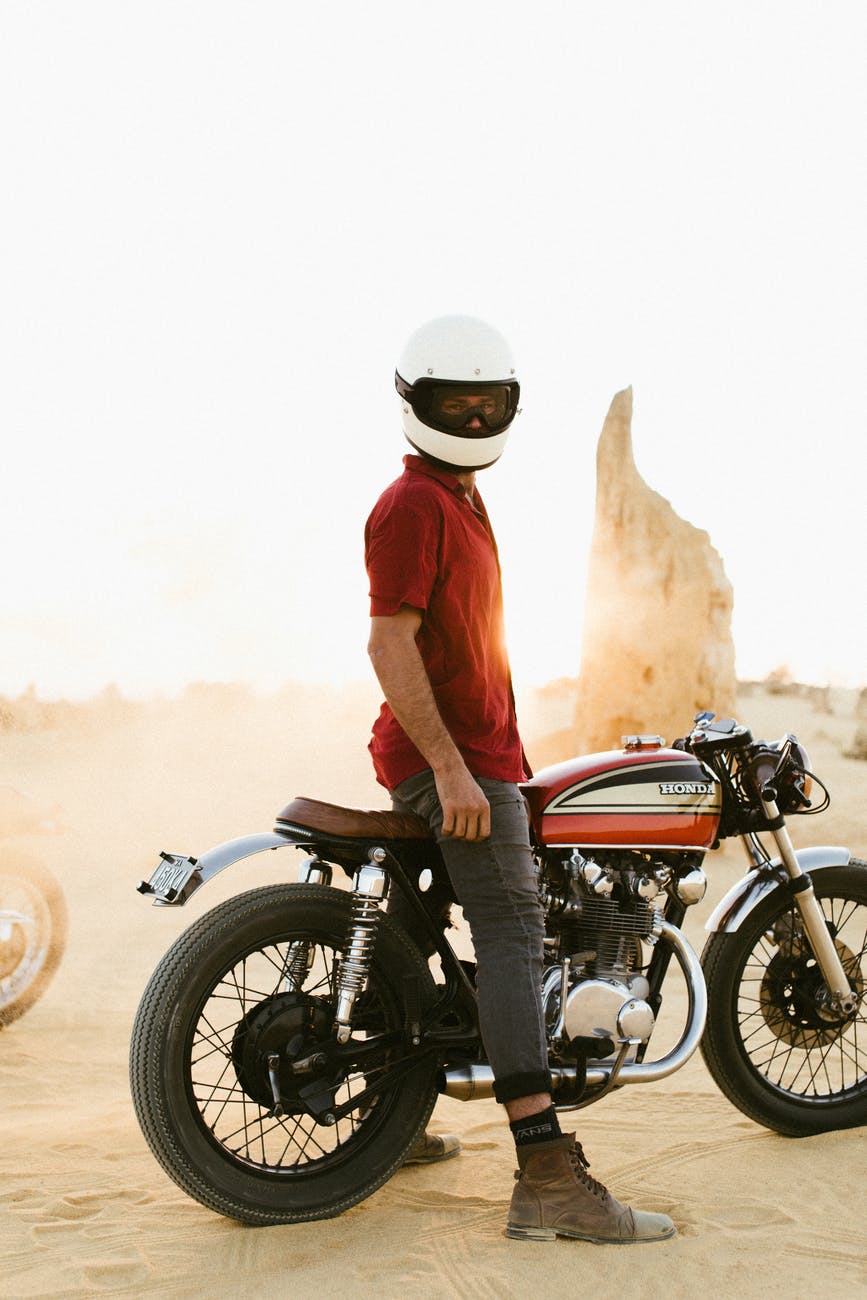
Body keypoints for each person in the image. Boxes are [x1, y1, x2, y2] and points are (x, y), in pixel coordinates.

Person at [364, 314, 675, 1244]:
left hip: (479, 761)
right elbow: (390, 642)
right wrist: (458, 773)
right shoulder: (415, 502)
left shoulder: (458, 496)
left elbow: (471, 657)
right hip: (446, 766)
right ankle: (545, 1174)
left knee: (441, 932)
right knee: (511, 933)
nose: (467, 417)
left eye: (483, 403)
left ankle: (398, 1108)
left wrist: (517, 771)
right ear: (413, 402)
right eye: (450, 403)